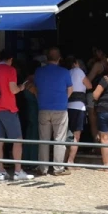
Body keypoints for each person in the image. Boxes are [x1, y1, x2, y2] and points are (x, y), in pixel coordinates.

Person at [0, 49, 31, 181]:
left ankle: (1, 171)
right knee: (17, 140)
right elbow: (13, 89)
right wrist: (21, 87)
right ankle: (18, 171)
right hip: (8, 108)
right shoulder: (10, 70)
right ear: (10, 59)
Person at [33, 47, 72, 176]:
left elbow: (36, 89)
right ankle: (58, 169)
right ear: (59, 58)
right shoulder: (65, 72)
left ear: (47, 58)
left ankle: (42, 168)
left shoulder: (39, 72)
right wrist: (63, 100)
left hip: (43, 108)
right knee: (59, 139)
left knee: (44, 139)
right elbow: (70, 90)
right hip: (60, 109)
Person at [64, 56, 93, 166]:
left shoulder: (67, 72)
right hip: (78, 106)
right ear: (76, 63)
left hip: (67, 105)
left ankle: (63, 160)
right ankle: (70, 161)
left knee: (67, 134)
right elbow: (89, 85)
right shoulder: (79, 71)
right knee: (76, 135)